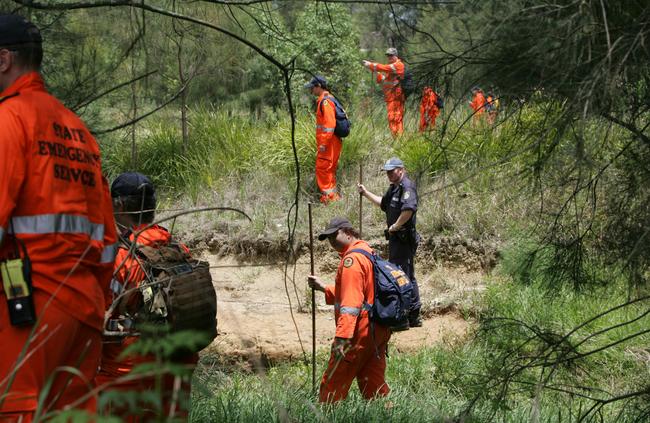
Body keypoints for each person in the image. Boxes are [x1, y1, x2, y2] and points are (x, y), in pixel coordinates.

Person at [0, 14, 117, 421]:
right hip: (83, 311)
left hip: (27, 308)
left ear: (3, 60)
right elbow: (108, 240)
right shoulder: (79, 131)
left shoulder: (9, 120)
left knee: (17, 410)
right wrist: (97, 299)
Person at [95, 172, 196, 421]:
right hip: (178, 366)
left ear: (117, 204)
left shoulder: (121, 259)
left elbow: (97, 316)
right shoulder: (178, 249)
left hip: (127, 374)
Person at [307, 217, 391, 403]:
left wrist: (342, 339)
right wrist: (324, 288)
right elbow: (361, 292)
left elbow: (351, 305)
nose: (331, 241)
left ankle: (327, 416)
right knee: (374, 387)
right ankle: (387, 415)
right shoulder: (367, 252)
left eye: (334, 235)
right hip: (377, 330)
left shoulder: (351, 261)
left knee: (333, 383)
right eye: (328, 238)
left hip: (358, 333)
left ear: (348, 232)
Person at [357, 157, 422, 327]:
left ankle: (408, 315)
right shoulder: (393, 188)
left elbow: (408, 210)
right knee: (402, 274)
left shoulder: (407, 187)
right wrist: (365, 193)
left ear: (401, 169)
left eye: (392, 171)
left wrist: (395, 225)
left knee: (404, 275)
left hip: (403, 238)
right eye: (387, 171)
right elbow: (382, 203)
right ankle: (408, 314)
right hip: (395, 239)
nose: (389, 174)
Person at [305, 75, 342, 204]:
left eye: (313, 87)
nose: (311, 90)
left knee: (323, 169)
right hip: (333, 141)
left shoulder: (325, 101)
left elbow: (329, 126)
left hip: (328, 143)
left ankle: (330, 200)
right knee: (329, 170)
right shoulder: (329, 98)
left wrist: (323, 144)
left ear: (319, 86)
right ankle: (332, 198)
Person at [362, 47, 405, 137]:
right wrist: (378, 75)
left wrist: (371, 65)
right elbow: (386, 81)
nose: (389, 57)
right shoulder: (392, 68)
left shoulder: (398, 65)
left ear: (395, 56)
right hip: (390, 98)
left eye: (391, 55)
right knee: (392, 119)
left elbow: (384, 68)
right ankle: (396, 139)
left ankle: (399, 139)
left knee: (395, 118)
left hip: (396, 98)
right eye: (388, 55)